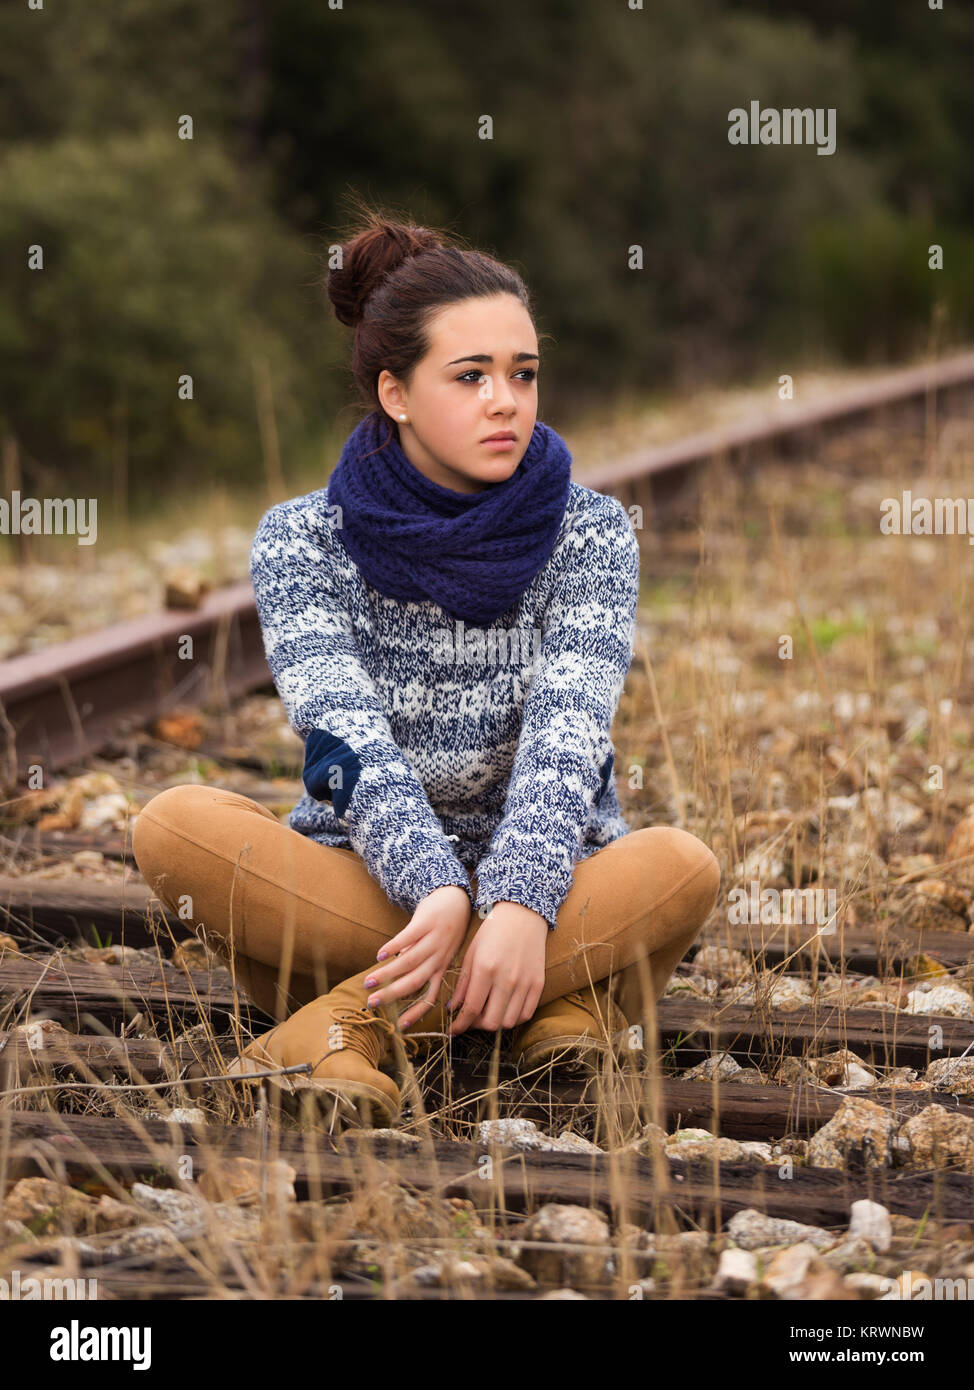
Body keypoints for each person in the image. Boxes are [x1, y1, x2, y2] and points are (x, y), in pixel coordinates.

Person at [131, 205, 721, 1127]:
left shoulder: (590, 531)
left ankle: (346, 1020)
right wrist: (436, 887)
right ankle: (545, 1006)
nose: (506, 401)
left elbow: (571, 735)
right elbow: (342, 741)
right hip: (364, 885)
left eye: (523, 374)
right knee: (176, 827)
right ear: (395, 392)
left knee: (680, 866)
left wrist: (520, 901)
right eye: (472, 376)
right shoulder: (302, 538)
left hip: (557, 890)